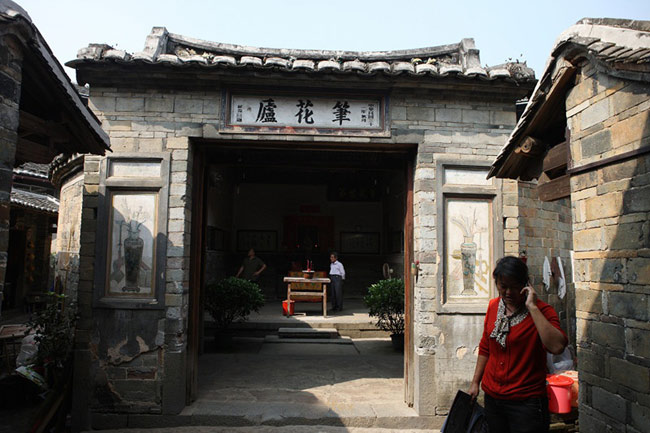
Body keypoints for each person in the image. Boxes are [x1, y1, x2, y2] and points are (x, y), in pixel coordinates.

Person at [468, 256, 567, 433]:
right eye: (503, 286)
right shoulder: (493, 306)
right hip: (493, 399)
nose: (508, 292)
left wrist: (533, 308)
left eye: (514, 287)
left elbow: (557, 347)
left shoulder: (543, 311)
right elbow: (485, 347)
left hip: (526, 404)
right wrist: (475, 382)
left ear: (525, 284)